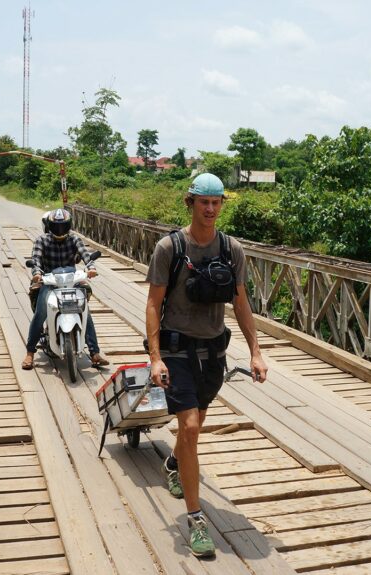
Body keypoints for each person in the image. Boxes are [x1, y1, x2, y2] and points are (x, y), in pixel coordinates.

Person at [144, 172, 268, 558]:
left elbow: (241, 303)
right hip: (178, 349)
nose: (211, 209)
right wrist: (155, 357)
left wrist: (255, 350)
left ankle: (172, 463)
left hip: (213, 351)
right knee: (191, 426)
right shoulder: (170, 247)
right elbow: (153, 304)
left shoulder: (232, 250)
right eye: (204, 202)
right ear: (191, 202)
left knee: (195, 425)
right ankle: (197, 520)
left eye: (216, 203)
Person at [22, 208, 110, 370]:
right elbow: (36, 259)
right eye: (57, 226)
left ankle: (94, 352)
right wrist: (37, 273)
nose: (60, 229)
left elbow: (85, 255)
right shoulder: (42, 240)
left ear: (68, 225)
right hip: (49, 281)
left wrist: (91, 267)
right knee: (40, 312)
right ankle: (30, 353)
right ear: (50, 225)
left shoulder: (74, 240)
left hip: (71, 280)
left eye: (63, 226)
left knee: (85, 310)